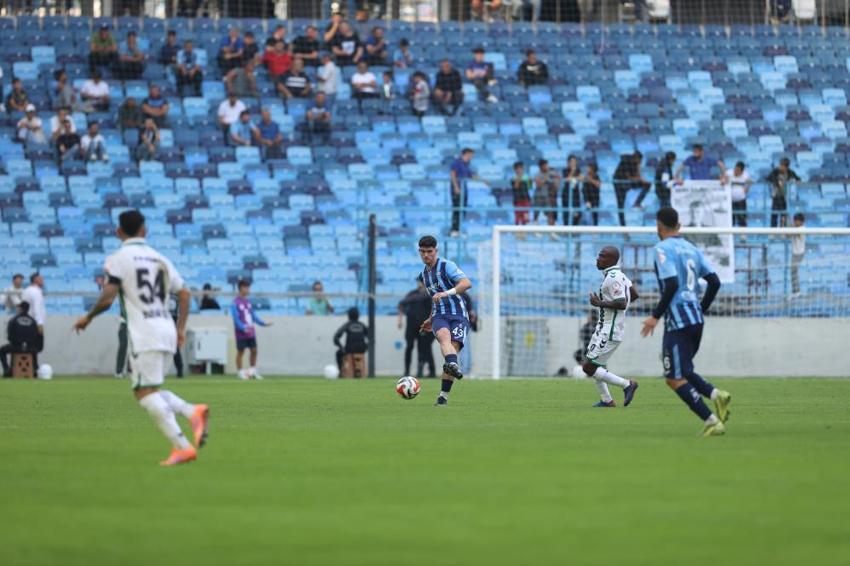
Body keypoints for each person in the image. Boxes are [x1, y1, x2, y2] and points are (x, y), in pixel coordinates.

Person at [74, 209, 209, 466]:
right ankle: (192, 413)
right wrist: (180, 329)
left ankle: (184, 441)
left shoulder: (119, 258)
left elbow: (108, 296)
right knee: (152, 389)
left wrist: (88, 317)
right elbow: (184, 294)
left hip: (144, 332)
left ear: (118, 232)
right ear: (144, 230)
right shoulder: (161, 259)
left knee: (143, 392)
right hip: (167, 328)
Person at [640, 207, 730, 437]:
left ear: (659, 226)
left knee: (673, 377)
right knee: (684, 370)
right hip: (695, 319)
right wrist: (701, 308)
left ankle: (711, 420)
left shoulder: (661, 249)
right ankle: (715, 395)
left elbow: (670, 284)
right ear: (678, 226)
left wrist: (654, 317)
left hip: (678, 322)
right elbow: (714, 282)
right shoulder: (692, 248)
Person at [416, 236, 473, 406]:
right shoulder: (424, 275)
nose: (426, 255)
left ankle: (443, 396)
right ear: (419, 252)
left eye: (430, 251)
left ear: (436, 251)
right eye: (423, 252)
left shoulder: (446, 265)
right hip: (440, 315)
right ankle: (453, 365)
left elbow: (466, 283)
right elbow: (435, 299)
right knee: (443, 337)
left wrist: (446, 293)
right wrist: (431, 318)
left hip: (458, 315)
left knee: (452, 349)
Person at [581, 246, 641, 407]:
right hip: (605, 327)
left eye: (602, 256)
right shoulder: (619, 275)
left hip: (609, 329)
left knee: (588, 367)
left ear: (611, 260)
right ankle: (606, 400)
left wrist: (599, 303)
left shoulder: (613, 278)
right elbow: (633, 295)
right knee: (595, 364)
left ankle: (627, 385)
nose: (597, 259)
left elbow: (621, 303)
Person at [230, 279, 271, 380]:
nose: (248, 290)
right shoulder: (235, 303)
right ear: (241, 288)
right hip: (241, 332)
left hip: (250, 331)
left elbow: (253, 316)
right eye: (246, 288)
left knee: (254, 350)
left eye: (248, 288)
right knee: (241, 351)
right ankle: (240, 372)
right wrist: (243, 328)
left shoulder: (248, 302)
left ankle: (252, 370)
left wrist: (262, 323)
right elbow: (236, 318)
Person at [398, 280, 436, 378]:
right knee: (409, 347)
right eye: (420, 282)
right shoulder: (412, 293)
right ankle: (406, 371)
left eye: (422, 282)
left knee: (423, 348)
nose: (420, 284)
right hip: (411, 325)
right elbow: (401, 304)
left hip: (424, 326)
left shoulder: (429, 294)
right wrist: (400, 319)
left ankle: (422, 371)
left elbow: (423, 298)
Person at [0, 301, 40, 377]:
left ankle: (7, 370)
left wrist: (16, 343)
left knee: (2, 350)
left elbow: (9, 336)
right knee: (34, 350)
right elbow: (36, 336)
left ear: (21, 309)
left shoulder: (13, 320)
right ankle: (34, 369)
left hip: (16, 347)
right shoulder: (33, 321)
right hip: (30, 348)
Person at [613, 151, 650, 226]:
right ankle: (623, 228)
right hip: (620, 184)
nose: (640, 162)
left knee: (648, 184)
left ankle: (637, 203)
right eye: (640, 161)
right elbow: (629, 177)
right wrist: (640, 179)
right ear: (636, 158)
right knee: (620, 206)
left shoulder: (636, 163)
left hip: (628, 183)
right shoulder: (625, 162)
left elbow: (637, 176)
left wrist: (638, 168)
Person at [449, 148, 478, 236]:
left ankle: (458, 229)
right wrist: (456, 187)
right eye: (471, 155)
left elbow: (471, 175)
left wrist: (484, 180)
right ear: (467, 153)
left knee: (463, 209)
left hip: (464, 190)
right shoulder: (457, 162)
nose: (472, 157)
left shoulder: (466, 165)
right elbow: (453, 174)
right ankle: (454, 230)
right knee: (457, 209)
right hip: (457, 188)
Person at [333, 307, 369, 376]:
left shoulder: (347, 325)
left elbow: (336, 337)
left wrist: (341, 347)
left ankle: (341, 372)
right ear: (358, 315)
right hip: (361, 350)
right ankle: (358, 372)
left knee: (338, 353)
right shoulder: (362, 325)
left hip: (349, 349)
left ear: (349, 316)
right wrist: (366, 347)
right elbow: (371, 338)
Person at [766, 157, 801, 228]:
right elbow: (768, 178)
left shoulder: (789, 172)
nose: (780, 166)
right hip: (775, 195)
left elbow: (797, 178)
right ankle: (773, 231)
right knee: (774, 215)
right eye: (780, 165)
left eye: (782, 165)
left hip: (783, 196)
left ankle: (782, 230)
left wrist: (797, 180)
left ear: (786, 167)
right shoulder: (775, 171)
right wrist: (777, 183)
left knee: (783, 215)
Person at [21, 273, 46, 356]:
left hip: (24, 323)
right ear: (36, 280)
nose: (43, 281)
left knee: (28, 348)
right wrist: (40, 324)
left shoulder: (26, 290)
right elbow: (37, 309)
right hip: (34, 324)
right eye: (41, 279)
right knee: (36, 348)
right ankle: (34, 367)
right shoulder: (36, 292)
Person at [534, 159, 561, 230]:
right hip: (539, 198)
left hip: (549, 198)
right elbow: (538, 185)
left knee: (551, 215)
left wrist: (556, 179)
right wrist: (545, 179)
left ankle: (552, 232)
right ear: (541, 166)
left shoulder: (551, 173)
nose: (547, 166)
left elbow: (557, 183)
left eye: (547, 165)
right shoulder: (537, 175)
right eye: (545, 165)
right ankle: (536, 230)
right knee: (536, 215)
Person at [727, 161, 753, 227]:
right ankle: (730, 233)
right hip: (730, 201)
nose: (736, 171)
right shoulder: (729, 173)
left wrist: (746, 189)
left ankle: (743, 234)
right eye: (735, 169)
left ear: (742, 171)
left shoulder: (746, 175)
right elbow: (723, 178)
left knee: (742, 217)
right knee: (731, 218)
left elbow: (749, 182)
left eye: (738, 170)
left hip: (741, 200)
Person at [562, 154, 583, 225]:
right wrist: (572, 171)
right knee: (566, 213)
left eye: (574, 162)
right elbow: (567, 179)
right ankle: (566, 230)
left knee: (577, 213)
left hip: (575, 194)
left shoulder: (578, 170)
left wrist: (573, 178)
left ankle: (574, 230)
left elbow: (581, 178)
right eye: (571, 162)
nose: (573, 163)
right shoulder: (565, 170)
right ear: (568, 163)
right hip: (566, 194)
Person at [511, 161, 532, 226]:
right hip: (517, 201)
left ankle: (524, 233)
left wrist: (529, 180)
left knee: (525, 217)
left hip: (525, 200)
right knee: (518, 217)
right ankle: (518, 234)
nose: (519, 170)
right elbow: (516, 186)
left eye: (521, 168)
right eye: (518, 169)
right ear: (515, 170)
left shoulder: (526, 178)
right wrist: (519, 177)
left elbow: (530, 187)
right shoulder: (513, 178)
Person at [790, 212, 806, 297]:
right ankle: (795, 291)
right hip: (795, 252)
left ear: (800, 221)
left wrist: (790, 225)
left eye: (796, 221)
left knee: (793, 271)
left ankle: (796, 291)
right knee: (793, 272)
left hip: (799, 253)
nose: (795, 222)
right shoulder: (796, 228)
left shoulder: (802, 229)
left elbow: (789, 234)